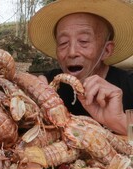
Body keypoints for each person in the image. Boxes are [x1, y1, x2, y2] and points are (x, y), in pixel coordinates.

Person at [28, 0, 133, 135]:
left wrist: (119, 121)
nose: (72, 52)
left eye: (83, 41)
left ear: (106, 50)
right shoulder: (47, 86)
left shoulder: (129, 85)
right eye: (63, 43)